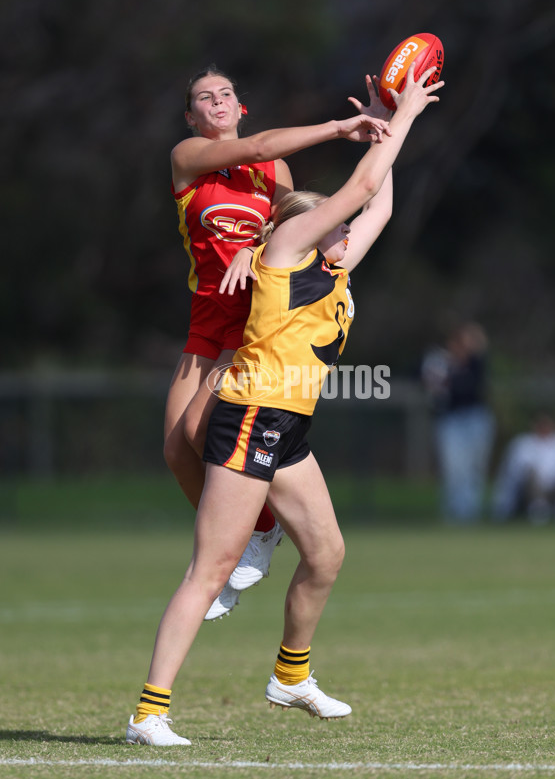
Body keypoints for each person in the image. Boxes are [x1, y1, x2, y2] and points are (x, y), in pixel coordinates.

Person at [125, 62, 444, 746]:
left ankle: (290, 675)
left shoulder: (329, 262)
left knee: (327, 553)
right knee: (207, 565)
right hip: (251, 413)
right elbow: (348, 191)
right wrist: (405, 113)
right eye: (326, 218)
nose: (341, 224)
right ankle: (149, 712)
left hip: (287, 424)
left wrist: (381, 128)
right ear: (296, 231)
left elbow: (376, 202)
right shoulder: (290, 248)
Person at [165, 65, 397, 619]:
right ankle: (261, 531)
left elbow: (289, 224)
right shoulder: (187, 157)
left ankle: (243, 543)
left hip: (250, 318)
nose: (217, 101)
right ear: (192, 117)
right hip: (206, 316)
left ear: (240, 106)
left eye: (226, 93)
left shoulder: (275, 167)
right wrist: (341, 128)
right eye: (205, 97)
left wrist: (255, 249)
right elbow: (260, 143)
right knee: (177, 450)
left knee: (202, 429)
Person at [421, 321, 495, 523]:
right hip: (451, 420)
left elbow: (473, 386)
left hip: (476, 418)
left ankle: (471, 513)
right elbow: (432, 387)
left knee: (475, 468)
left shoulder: (476, 363)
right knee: (454, 468)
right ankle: (455, 513)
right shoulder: (440, 362)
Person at [492, 414, 555, 525]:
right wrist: (503, 504)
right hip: (531, 490)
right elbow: (510, 475)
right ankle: (538, 507)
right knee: (531, 471)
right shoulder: (522, 444)